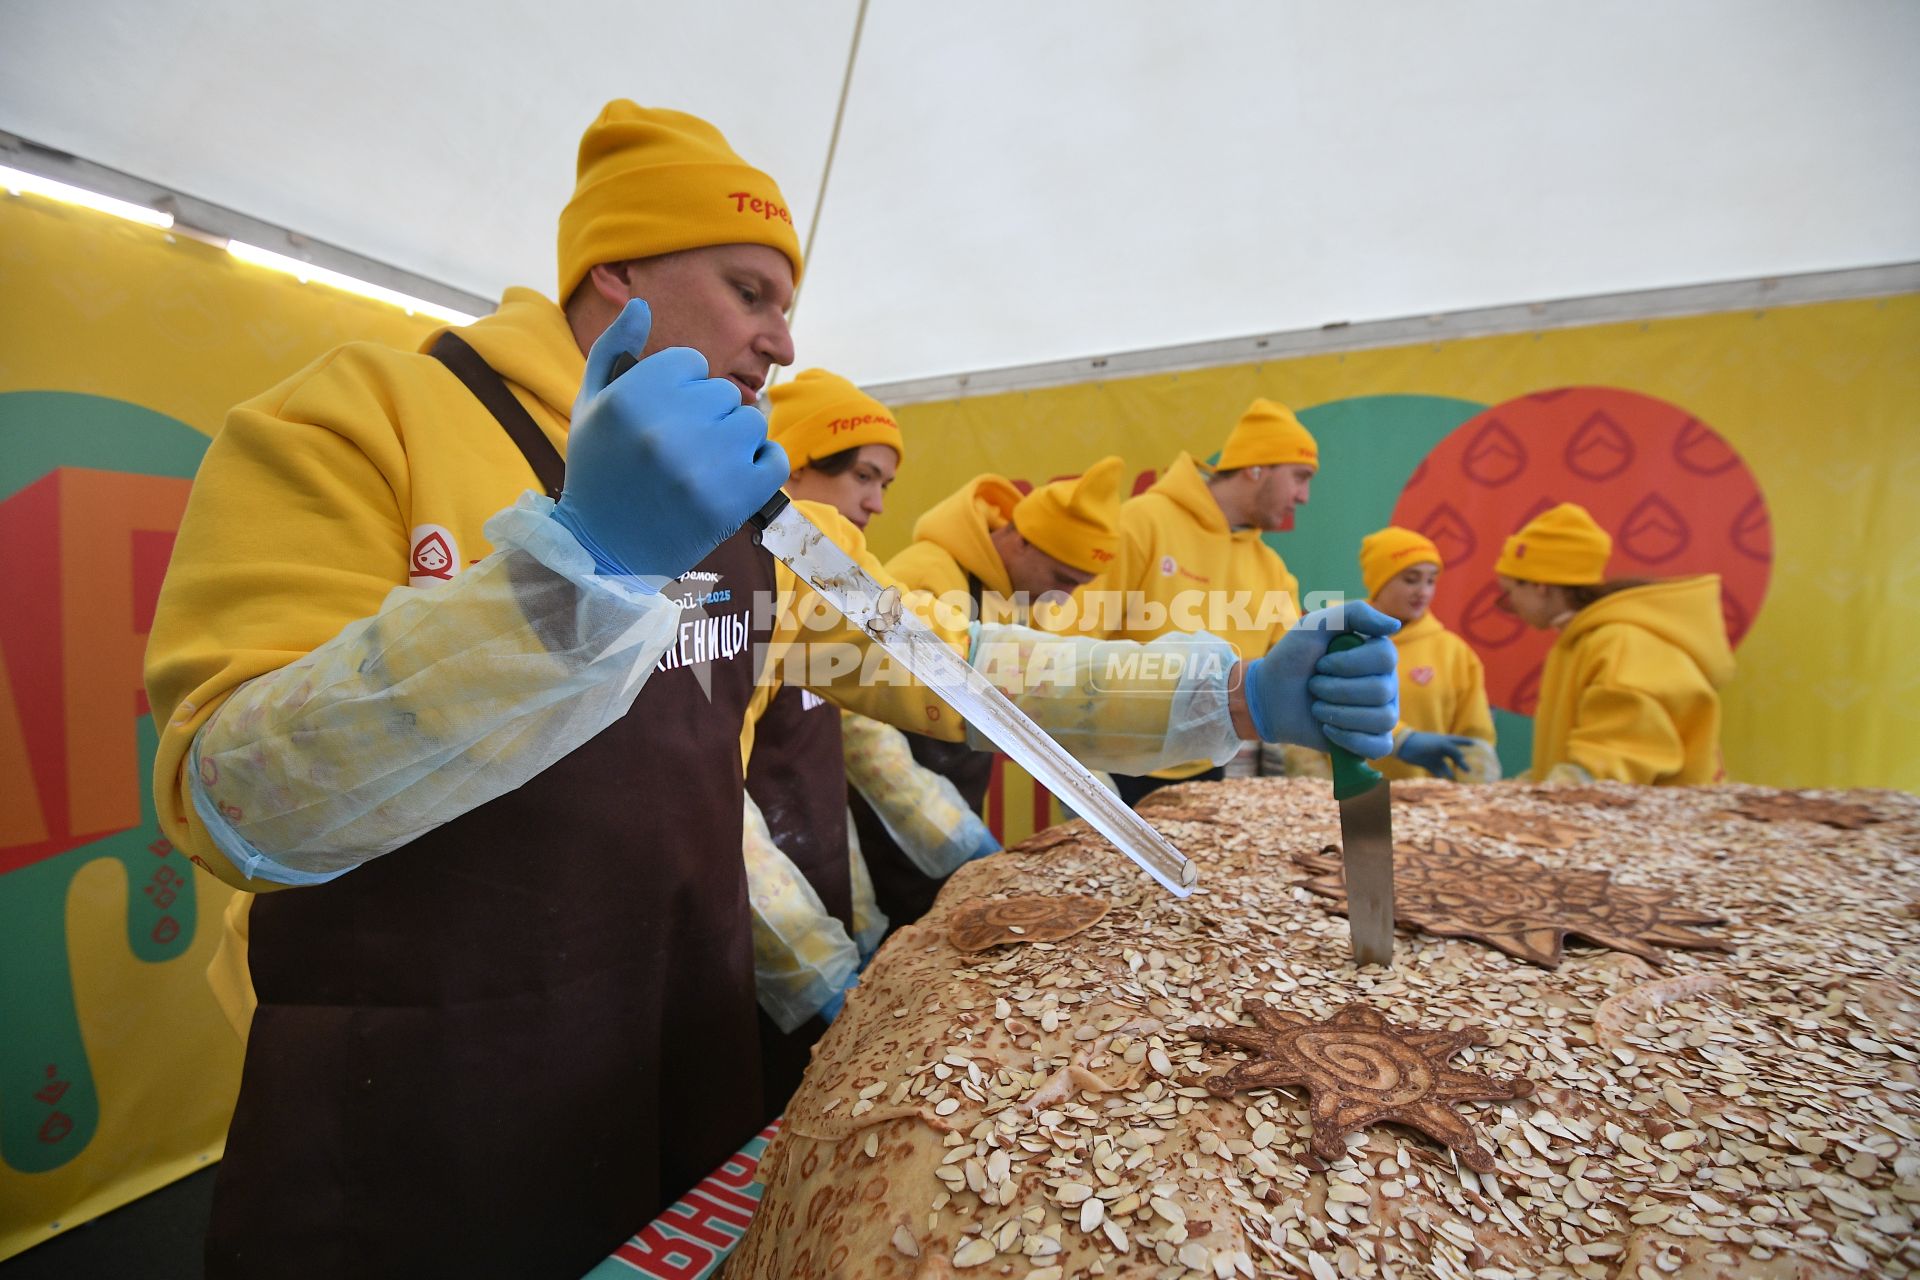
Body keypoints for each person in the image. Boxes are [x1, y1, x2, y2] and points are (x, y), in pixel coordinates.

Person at [144, 102, 1401, 1278]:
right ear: (619, 277)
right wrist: (574, 570)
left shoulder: (753, 525)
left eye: (787, 305)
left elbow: (963, 668)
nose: (784, 341)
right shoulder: (367, 418)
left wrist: (1234, 698)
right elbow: (235, 796)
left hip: (677, 1048)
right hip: (419, 1096)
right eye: (750, 292)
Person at [845, 457, 1129, 930]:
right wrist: (949, 834)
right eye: (1062, 579)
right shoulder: (927, 575)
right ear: (1020, 541)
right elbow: (863, 723)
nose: (1064, 599)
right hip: (893, 815)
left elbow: (1044, 699)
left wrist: (1101, 803)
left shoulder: (1017, 593)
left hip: (958, 794)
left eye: (1078, 586)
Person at [739, 367, 915, 1107]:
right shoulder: (742, 583)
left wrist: (865, 924)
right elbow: (708, 802)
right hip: (754, 925)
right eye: (864, 477)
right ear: (797, 464)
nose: (876, 503)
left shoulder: (828, 589)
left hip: (823, 877)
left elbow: (859, 761)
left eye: (885, 485)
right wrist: (814, 964)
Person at [1065, 398, 1314, 805]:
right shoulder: (1143, 522)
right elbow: (1071, 639)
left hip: (1208, 768)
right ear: (1256, 469)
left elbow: (1293, 671)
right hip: (1117, 766)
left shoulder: (1272, 568)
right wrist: (1077, 766)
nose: (1303, 496)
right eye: (1300, 476)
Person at [1494, 502, 1733, 785]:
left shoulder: (1621, 646)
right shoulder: (1580, 642)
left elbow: (1616, 761)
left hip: (1658, 824)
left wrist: (1538, 797)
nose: (1511, 606)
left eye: (1509, 593)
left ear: (1539, 587)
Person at [1357, 526, 1498, 781]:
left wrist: (1472, 795)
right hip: (1345, 802)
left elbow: (1475, 741)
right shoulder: (1345, 639)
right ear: (1378, 582)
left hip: (1431, 806)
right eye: (1411, 579)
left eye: (1431, 580)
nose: (1423, 591)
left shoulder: (1455, 653)